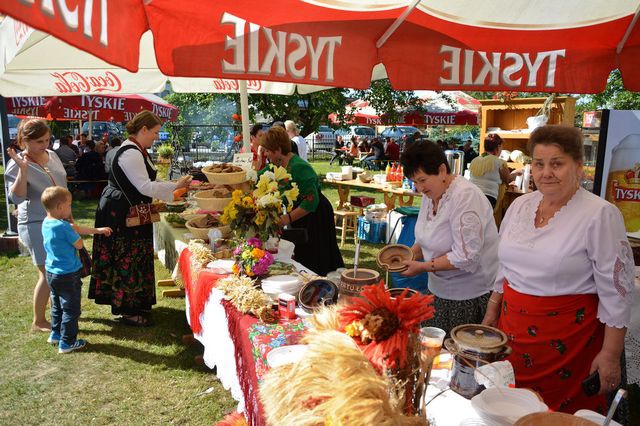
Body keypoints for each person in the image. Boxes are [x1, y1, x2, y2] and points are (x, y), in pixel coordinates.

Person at [482, 125, 634, 414]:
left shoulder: (600, 215)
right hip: (512, 331)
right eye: (539, 164)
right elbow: (504, 264)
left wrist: (611, 355)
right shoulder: (520, 206)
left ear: (578, 166)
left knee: (560, 416)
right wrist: (492, 309)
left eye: (557, 163)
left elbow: (618, 292)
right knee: (511, 409)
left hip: (569, 344)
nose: (546, 172)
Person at [89, 111, 192, 326]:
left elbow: (145, 182)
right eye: (154, 132)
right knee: (127, 256)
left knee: (135, 255)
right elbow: (144, 186)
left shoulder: (138, 150)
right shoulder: (131, 153)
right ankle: (128, 311)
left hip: (129, 209)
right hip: (121, 213)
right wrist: (176, 186)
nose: (156, 136)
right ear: (143, 129)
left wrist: (174, 185)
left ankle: (137, 304)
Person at [399, 140, 499, 334]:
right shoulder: (433, 193)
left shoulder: (465, 197)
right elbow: (426, 236)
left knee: (451, 356)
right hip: (438, 291)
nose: (419, 188)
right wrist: (410, 254)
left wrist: (422, 267)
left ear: (442, 170)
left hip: (467, 296)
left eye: (422, 180)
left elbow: (466, 255)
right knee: (431, 351)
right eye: (415, 182)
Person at [5, 119, 68, 332]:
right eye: (39, 141)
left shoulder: (54, 155)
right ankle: (38, 321)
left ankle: (56, 311)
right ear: (25, 140)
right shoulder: (18, 163)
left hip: (59, 220)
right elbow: (16, 197)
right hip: (35, 222)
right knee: (47, 272)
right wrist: (23, 170)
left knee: (58, 270)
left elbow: (61, 185)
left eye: (48, 139)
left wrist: (68, 215)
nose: (45, 144)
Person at [260, 126, 344, 275]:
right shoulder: (277, 165)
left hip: (316, 216)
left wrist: (287, 219)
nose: (266, 154)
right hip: (301, 215)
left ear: (278, 149)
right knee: (303, 258)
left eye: (267, 150)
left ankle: (322, 289)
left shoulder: (300, 167)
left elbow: (311, 202)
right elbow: (256, 177)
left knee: (317, 260)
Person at [40, 186, 112, 353]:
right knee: (71, 309)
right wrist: (76, 236)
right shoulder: (63, 227)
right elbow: (78, 244)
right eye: (69, 205)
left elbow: (75, 228)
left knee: (57, 305)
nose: (70, 208)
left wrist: (97, 231)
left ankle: (55, 334)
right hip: (68, 275)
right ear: (60, 207)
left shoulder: (47, 222)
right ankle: (67, 342)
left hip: (51, 273)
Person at [469, 134, 517, 208]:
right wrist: (516, 173)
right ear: (499, 147)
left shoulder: (475, 160)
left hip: (471, 196)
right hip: (487, 198)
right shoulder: (499, 162)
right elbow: (507, 179)